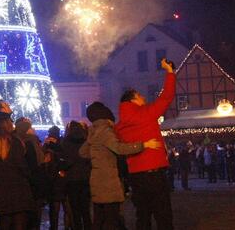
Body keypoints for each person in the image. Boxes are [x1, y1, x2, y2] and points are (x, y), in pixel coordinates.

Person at [116, 57, 177, 230]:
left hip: (135, 175)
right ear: (133, 100)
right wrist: (170, 72)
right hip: (154, 174)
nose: (143, 97)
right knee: (163, 214)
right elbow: (166, 97)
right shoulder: (146, 113)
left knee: (142, 215)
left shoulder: (119, 126)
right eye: (140, 95)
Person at [80, 102, 160, 230]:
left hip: (96, 180)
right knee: (111, 218)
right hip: (108, 182)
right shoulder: (105, 131)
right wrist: (144, 145)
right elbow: (119, 148)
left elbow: (82, 152)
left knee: (99, 218)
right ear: (107, 118)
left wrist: (97, 154)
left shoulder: (93, 132)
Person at [0, 101, 35, 230]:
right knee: (19, 222)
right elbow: (21, 164)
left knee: (4, 220)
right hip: (18, 189)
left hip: (2, 188)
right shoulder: (14, 141)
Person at [61, 121, 91, 230]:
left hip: (72, 179)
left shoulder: (65, 143)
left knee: (75, 210)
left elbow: (64, 161)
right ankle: (88, 227)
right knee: (86, 209)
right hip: (85, 177)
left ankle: (77, 227)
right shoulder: (86, 141)